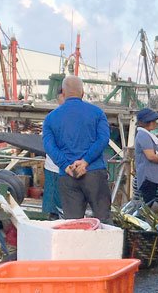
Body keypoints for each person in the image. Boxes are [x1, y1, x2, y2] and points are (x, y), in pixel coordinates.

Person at [42, 76, 112, 222]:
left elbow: (49, 146)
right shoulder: (98, 113)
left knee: (73, 224)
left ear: (64, 93)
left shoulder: (50, 118)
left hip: (68, 175)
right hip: (94, 173)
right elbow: (103, 139)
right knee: (104, 219)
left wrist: (65, 165)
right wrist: (86, 161)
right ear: (83, 93)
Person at [134, 107, 158, 204]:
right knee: (148, 203)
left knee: (150, 202)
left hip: (151, 175)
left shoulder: (146, 135)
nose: (156, 123)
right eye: (154, 121)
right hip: (147, 176)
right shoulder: (143, 135)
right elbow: (151, 156)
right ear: (148, 122)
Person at [41, 91, 65, 218]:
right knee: (52, 205)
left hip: (67, 168)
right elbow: (48, 144)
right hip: (54, 167)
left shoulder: (53, 117)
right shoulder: (52, 117)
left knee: (62, 203)